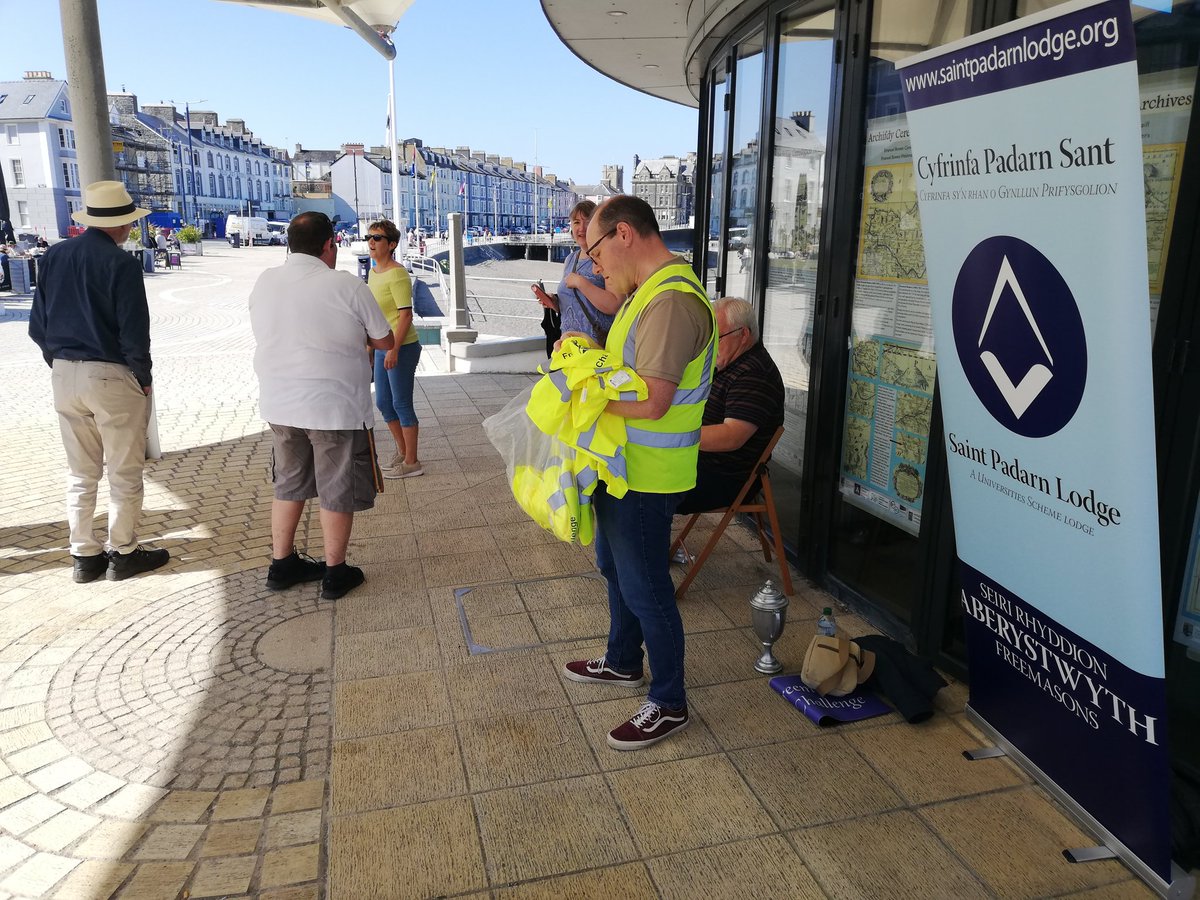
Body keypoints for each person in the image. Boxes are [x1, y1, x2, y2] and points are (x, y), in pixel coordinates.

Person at [561, 195, 715, 750]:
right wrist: (586, 352)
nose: (593, 265)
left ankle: (670, 702)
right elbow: (627, 369)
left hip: (648, 473)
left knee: (647, 586)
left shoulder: (670, 301)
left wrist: (581, 399)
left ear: (624, 234)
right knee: (615, 567)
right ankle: (624, 660)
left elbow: (652, 400)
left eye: (596, 251)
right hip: (623, 464)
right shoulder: (645, 292)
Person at [28, 181, 169, 583]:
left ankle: (83, 555)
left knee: (80, 472)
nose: (131, 229)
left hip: (64, 372)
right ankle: (123, 552)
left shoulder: (54, 255)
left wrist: (58, 361)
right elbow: (134, 331)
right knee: (124, 471)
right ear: (121, 224)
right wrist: (142, 378)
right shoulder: (121, 264)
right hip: (110, 374)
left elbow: (37, 324)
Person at [249, 211, 395, 600]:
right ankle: (334, 572)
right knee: (335, 486)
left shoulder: (265, 281)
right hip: (333, 405)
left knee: (288, 483)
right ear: (329, 245)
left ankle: (281, 564)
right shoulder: (346, 285)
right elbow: (385, 340)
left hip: (280, 403)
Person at [676, 297, 784, 515]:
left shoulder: (755, 374)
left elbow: (731, 436)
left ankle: (645, 537)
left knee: (641, 488)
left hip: (722, 477)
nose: (710, 345)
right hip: (699, 463)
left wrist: (671, 437)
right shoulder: (731, 363)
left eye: (717, 337)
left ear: (743, 335)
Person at [365, 219, 423, 479]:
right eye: (369, 237)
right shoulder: (373, 272)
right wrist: (371, 346)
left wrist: (394, 349)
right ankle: (402, 451)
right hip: (381, 345)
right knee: (383, 403)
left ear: (391, 244)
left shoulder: (398, 274)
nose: (371, 242)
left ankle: (412, 462)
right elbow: (374, 315)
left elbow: (405, 316)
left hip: (402, 346)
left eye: (377, 238)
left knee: (401, 403)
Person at [531, 200, 621, 354]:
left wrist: (581, 282)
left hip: (596, 347)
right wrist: (555, 302)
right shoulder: (570, 259)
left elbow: (615, 305)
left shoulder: (607, 257)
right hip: (568, 346)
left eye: (588, 222)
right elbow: (573, 304)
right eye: (577, 222)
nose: (582, 228)